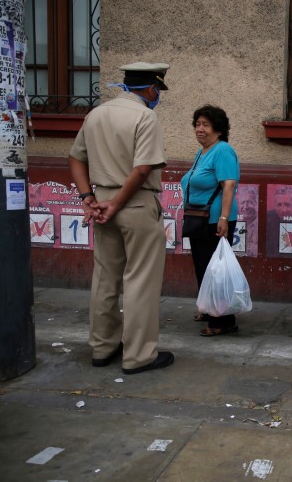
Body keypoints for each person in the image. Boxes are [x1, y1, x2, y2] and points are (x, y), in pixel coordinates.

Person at [68, 61, 174, 375]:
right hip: (135, 204)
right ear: (152, 88)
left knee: (105, 277)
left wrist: (89, 199)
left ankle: (103, 348)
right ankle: (138, 356)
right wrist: (117, 203)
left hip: (101, 201)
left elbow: (75, 158)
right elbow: (142, 169)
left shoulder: (95, 114)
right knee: (140, 280)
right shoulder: (145, 116)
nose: (158, 96)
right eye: (158, 90)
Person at [182, 105, 240, 336]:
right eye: (197, 124)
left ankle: (224, 321)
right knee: (203, 267)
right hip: (199, 217)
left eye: (206, 124)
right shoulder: (202, 152)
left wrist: (224, 218)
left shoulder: (223, 150)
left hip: (215, 219)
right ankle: (209, 309)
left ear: (218, 128)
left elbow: (229, 185)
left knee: (216, 270)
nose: (200, 129)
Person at [266, 186, 292, 255]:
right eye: (279, 205)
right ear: (275, 205)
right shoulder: (267, 220)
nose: (283, 210)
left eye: (287, 205)